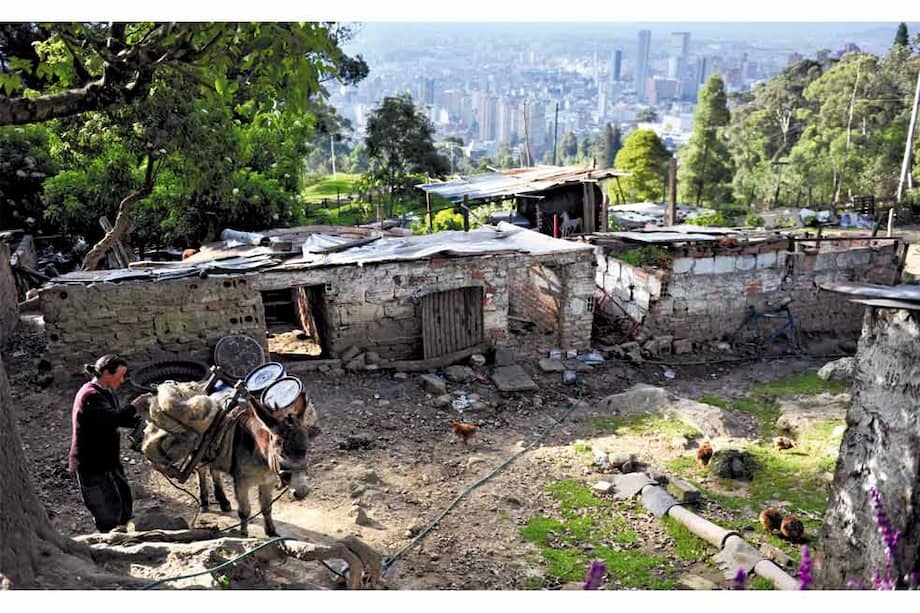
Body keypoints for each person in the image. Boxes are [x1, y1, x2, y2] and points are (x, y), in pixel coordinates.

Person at [68, 354, 140, 533]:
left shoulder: (106, 391)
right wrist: (136, 405)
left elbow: (116, 419)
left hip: (108, 459)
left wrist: (142, 421)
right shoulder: (91, 396)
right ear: (107, 373)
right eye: (120, 375)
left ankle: (126, 535)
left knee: (123, 498)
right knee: (106, 508)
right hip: (92, 462)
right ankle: (111, 541)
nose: (123, 380)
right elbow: (112, 418)